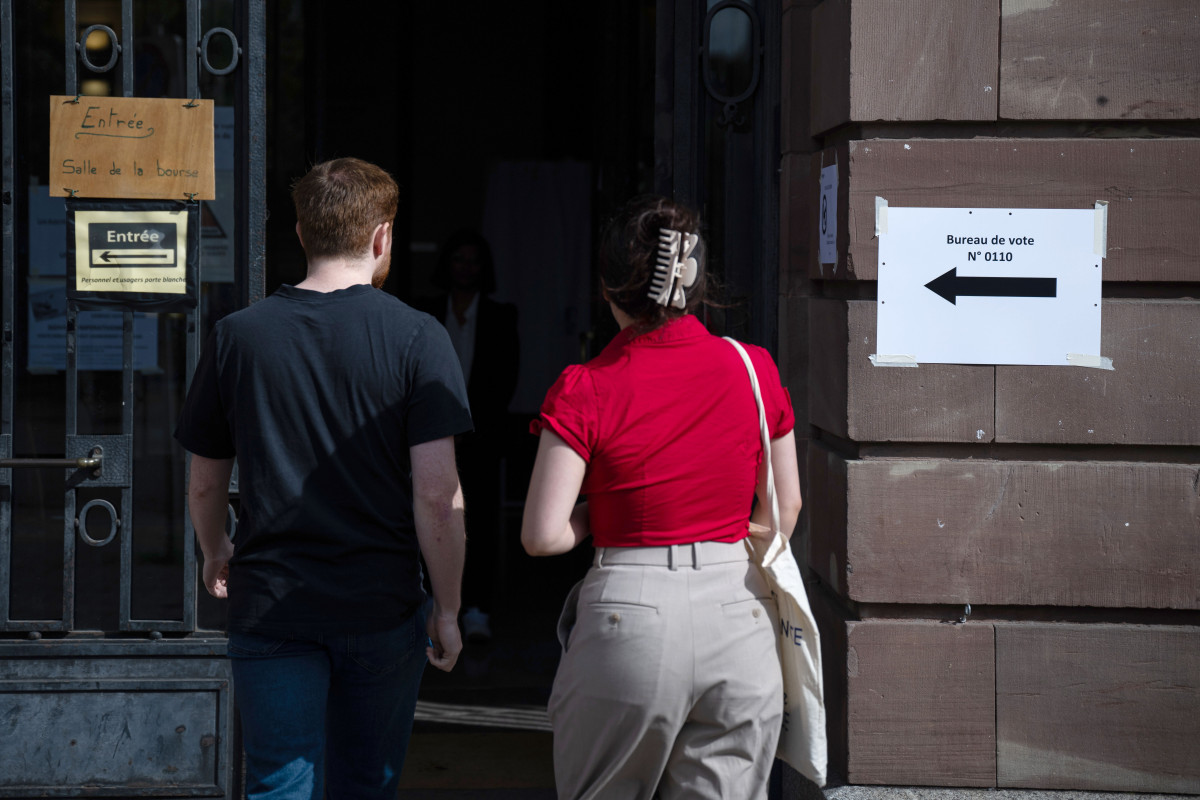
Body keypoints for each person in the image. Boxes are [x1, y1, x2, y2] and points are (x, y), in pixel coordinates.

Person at [175, 157, 471, 800]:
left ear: (304, 233)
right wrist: (447, 608)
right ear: (382, 237)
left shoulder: (237, 337)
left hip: (273, 603)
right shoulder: (420, 338)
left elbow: (204, 482)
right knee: (366, 782)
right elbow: (437, 497)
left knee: (279, 782)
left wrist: (215, 550)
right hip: (381, 603)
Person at [520, 195, 803, 800]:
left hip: (632, 614)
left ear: (608, 287)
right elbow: (785, 509)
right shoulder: (753, 369)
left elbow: (542, 535)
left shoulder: (587, 385)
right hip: (740, 612)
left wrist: (602, 511)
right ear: (697, 286)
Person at [416, 230, 519, 642]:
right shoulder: (424, 313)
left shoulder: (501, 315)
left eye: (474, 260)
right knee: (429, 517)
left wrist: (474, 431)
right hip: (428, 437)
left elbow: (506, 381)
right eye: (459, 259)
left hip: (482, 438)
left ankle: (476, 609)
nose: (466, 267)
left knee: (480, 523)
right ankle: (430, 604)